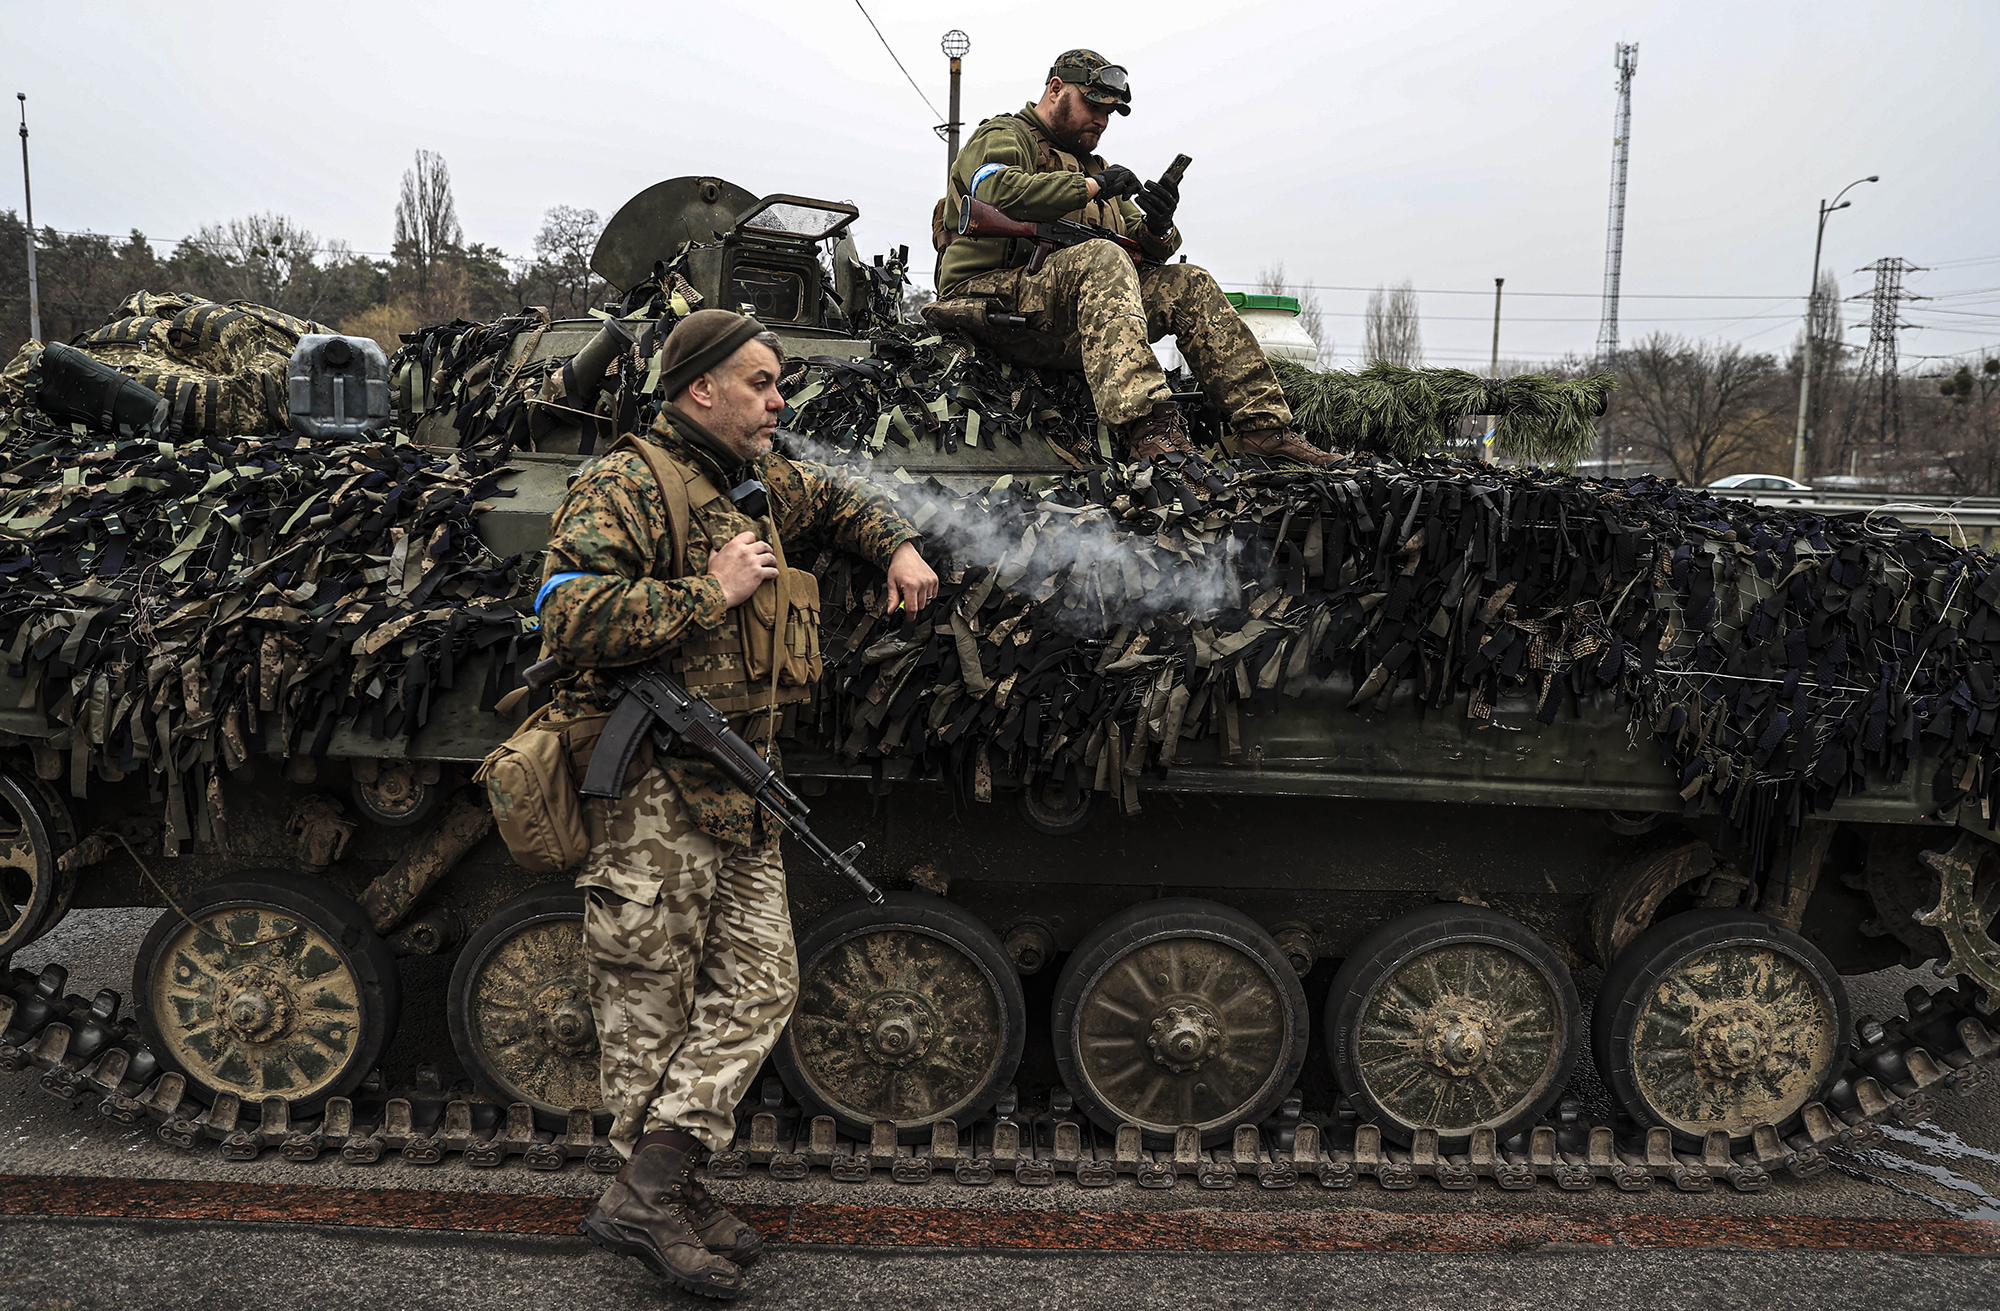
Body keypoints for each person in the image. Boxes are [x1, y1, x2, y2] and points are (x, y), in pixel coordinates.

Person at [536, 309, 937, 1299]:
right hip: (649, 795)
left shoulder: (760, 489)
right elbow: (562, 608)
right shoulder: (627, 481)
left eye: (778, 382)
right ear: (699, 388)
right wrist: (705, 595)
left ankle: (654, 1186)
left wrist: (892, 546)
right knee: (648, 1015)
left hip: (739, 794)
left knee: (760, 987)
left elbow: (840, 502)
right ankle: (658, 1198)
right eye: (759, 383)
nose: (776, 399)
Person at [934, 48, 1338, 469]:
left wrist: (1159, 224)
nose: (1102, 120)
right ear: (1056, 90)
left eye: (1110, 112)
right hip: (990, 302)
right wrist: (1092, 186)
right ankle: (1150, 427)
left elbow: (1140, 243)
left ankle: (1264, 429)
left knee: (1188, 283)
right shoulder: (1004, 136)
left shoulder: (1095, 166)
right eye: (1094, 105)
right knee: (1104, 257)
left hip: (1066, 317)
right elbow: (998, 191)